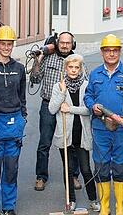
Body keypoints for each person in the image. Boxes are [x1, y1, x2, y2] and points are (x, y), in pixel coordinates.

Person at [84, 34, 123, 215]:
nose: (111, 54)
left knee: (120, 167)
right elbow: (88, 96)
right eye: (108, 50)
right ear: (102, 52)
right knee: (101, 167)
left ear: (120, 51)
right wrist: (91, 105)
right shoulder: (95, 74)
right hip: (101, 128)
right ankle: (105, 207)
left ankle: (119, 207)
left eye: (115, 50)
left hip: (121, 130)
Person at [48, 54, 99, 211]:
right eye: (70, 67)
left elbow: (89, 110)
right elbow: (52, 109)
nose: (73, 70)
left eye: (77, 67)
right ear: (65, 68)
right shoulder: (59, 86)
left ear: (81, 68)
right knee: (68, 169)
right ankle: (71, 199)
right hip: (65, 135)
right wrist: (63, 93)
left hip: (82, 134)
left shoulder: (86, 86)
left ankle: (93, 199)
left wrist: (70, 109)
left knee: (85, 168)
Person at [0, 26, 27, 215]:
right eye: (3, 44)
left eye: (9, 44)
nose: (6, 47)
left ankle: (8, 207)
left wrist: (23, 117)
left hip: (14, 121)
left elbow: (22, 95)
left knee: (11, 170)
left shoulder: (19, 68)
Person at [33, 31, 76, 191]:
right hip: (48, 105)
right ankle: (41, 176)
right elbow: (36, 79)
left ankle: (73, 176)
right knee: (44, 143)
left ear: (73, 44)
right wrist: (38, 60)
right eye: (62, 42)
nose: (65, 45)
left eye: (68, 43)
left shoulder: (76, 61)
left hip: (68, 108)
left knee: (70, 143)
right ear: (57, 43)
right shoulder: (48, 58)